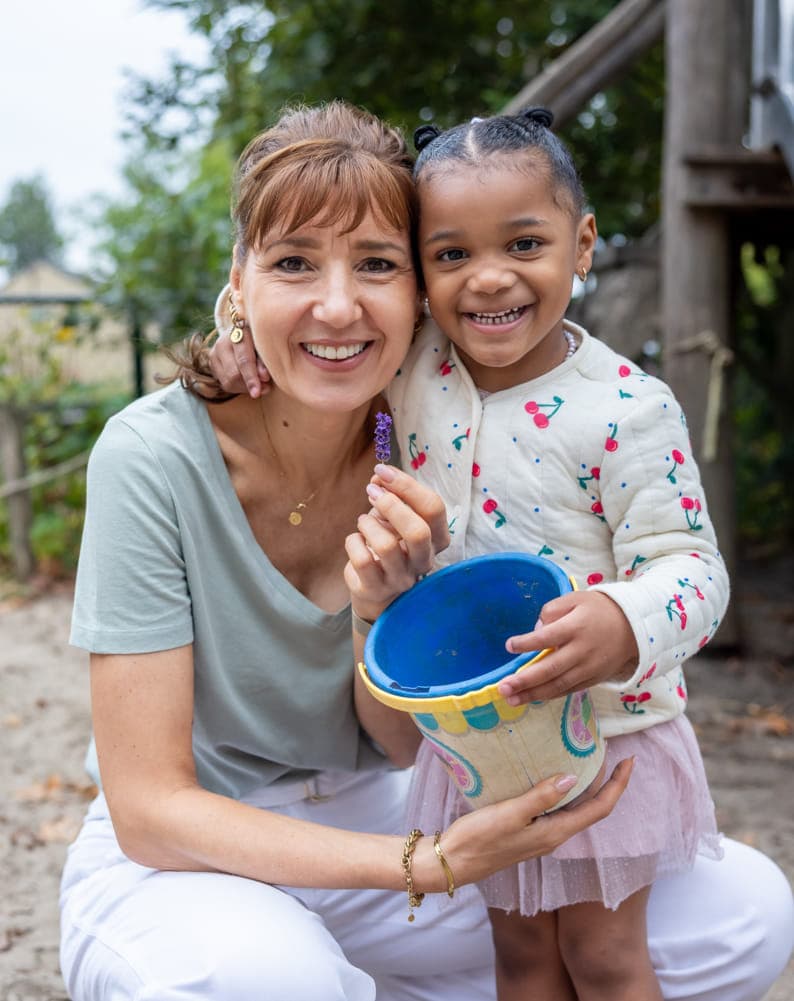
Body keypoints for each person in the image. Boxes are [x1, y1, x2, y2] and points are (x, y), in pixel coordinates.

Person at [211, 104, 794, 1000]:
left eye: (523, 245)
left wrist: (624, 616)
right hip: (475, 739)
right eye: (451, 255)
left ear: (584, 243)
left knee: (603, 958)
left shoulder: (628, 409)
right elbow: (323, 338)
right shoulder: (416, 370)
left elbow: (695, 568)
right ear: (421, 273)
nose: (488, 280)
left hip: (605, 733)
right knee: (518, 961)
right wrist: (240, 340)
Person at [59, 99, 635, 1001]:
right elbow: (149, 809)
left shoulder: (432, 438)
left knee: (737, 915)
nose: (337, 305)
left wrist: (379, 615)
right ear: (240, 284)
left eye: (376, 264)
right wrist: (430, 859)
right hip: (188, 858)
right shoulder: (152, 455)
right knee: (264, 979)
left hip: (382, 809)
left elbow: (404, 749)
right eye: (294, 263)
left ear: (417, 293)